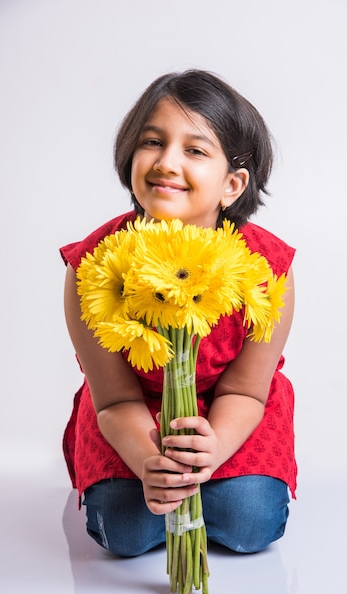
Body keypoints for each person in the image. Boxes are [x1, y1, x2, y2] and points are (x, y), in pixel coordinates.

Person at [61, 69, 296, 558]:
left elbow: (247, 390)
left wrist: (213, 449)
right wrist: (151, 463)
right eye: (152, 141)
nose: (167, 162)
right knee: (125, 534)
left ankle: (220, 490)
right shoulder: (95, 265)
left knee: (249, 523)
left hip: (233, 417)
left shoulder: (265, 269)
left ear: (233, 183)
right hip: (131, 419)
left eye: (194, 150)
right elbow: (112, 401)